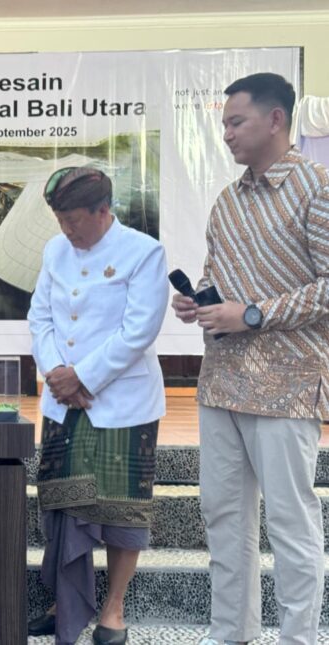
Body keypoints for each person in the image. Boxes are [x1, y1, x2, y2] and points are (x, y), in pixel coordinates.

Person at [172, 73, 329, 645]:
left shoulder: (317, 187)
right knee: (223, 518)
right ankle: (230, 634)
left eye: (236, 121)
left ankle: (298, 638)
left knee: (290, 521)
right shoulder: (227, 199)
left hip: (288, 385)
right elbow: (215, 274)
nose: (227, 134)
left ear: (276, 119)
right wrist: (199, 300)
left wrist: (254, 314)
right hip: (221, 383)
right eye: (224, 124)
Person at [27, 166, 168, 645]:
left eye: (74, 220)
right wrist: (55, 372)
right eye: (60, 220)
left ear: (103, 210)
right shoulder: (54, 250)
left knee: (121, 511)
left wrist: (83, 376)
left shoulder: (142, 252)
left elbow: (139, 330)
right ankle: (64, 601)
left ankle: (113, 607)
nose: (67, 230)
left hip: (121, 403)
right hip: (64, 402)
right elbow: (40, 317)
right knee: (63, 503)